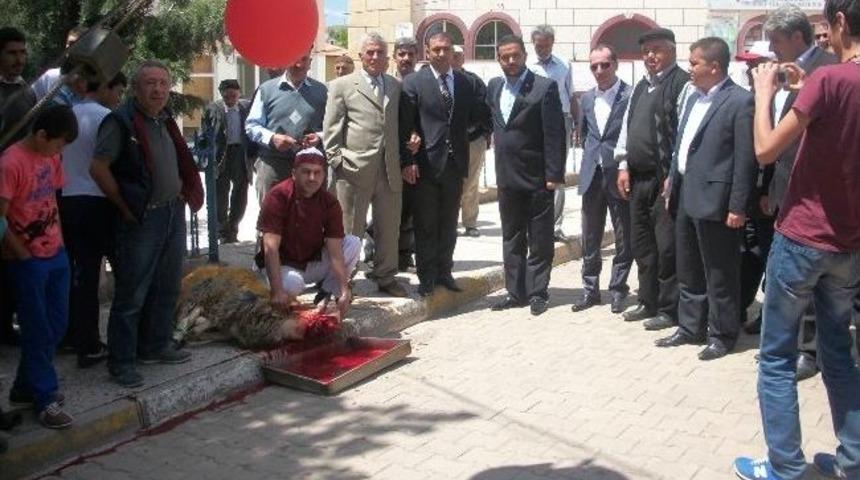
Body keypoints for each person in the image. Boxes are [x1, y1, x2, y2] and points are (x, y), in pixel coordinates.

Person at [733, 1, 860, 478]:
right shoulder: (828, 82)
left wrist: (765, 92)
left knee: (777, 359)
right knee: (839, 355)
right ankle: (853, 459)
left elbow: (766, 149)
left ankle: (784, 467)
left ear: (841, 23)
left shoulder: (829, 80)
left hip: (804, 237)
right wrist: (805, 88)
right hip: (848, 246)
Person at [89, 60, 203, 388]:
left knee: (167, 285)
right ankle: (122, 361)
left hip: (170, 212)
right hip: (141, 217)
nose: (157, 90)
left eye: (163, 84)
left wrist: (182, 193)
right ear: (136, 89)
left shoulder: (164, 120)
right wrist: (124, 206)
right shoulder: (121, 121)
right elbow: (99, 167)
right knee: (132, 292)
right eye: (150, 83)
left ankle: (156, 345)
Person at [656, 37, 756, 361]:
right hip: (685, 193)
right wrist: (672, 176)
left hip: (717, 200)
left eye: (695, 62)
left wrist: (738, 206)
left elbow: (744, 160)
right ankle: (690, 327)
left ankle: (723, 334)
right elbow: (681, 144)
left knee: (720, 271)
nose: (690, 67)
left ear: (714, 66)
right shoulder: (692, 98)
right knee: (689, 266)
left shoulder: (740, 102)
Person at [760, 5, 839, 381]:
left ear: (795, 36)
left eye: (776, 40)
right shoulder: (779, 72)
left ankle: (810, 350)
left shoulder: (827, 67)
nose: (772, 48)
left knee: (810, 277)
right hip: (784, 182)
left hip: (816, 190)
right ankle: (790, 341)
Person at [0, 104, 78, 428]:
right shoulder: (10, 163)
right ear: (42, 134)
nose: (60, 151)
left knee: (57, 325)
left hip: (55, 252)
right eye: (58, 144)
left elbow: (52, 200)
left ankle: (24, 387)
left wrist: (59, 242)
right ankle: (45, 398)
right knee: (36, 328)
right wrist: (22, 254)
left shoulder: (52, 156)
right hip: (27, 259)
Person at [400, 31, 489, 297]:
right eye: (436, 49)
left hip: (454, 164)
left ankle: (444, 272)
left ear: (453, 52)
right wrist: (408, 159)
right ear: (427, 52)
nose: (441, 54)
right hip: (425, 164)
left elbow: (479, 116)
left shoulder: (464, 82)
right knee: (426, 224)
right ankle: (426, 277)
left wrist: (468, 138)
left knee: (449, 223)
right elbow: (406, 125)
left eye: (446, 49)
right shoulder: (414, 83)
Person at [323, 32, 409, 298]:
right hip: (353, 171)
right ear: (361, 56)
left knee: (388, 228)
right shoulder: (342, 86)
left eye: (380, 52)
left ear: (387, 56)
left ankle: (386, 276)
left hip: (389, 170)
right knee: (350, 230)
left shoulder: (395, 86)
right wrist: (337, 160)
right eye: (370, 52)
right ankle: (345, 280)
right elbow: (331, 129)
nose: (375, 57)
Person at [614, 28, 689, 330]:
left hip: (663, 182)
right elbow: (626, 128)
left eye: (656, 50)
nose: (650, 56)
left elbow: (683, 135)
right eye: (646, 51)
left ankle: (670, 308)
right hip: (637, 179)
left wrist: (672, 176)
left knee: (667, 247)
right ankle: (648, 300)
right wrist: (622, 165)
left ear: (671, 50)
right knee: (642, 245)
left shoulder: (681, 83)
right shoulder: (640, 87)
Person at [486, 35, 565, 316]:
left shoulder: (544, 88)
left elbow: (556, 134)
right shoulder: (494, 87)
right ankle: (514, 292)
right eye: (504, 57)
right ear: (499, 59)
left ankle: (537, 292)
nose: (510, 61)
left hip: (537, 177)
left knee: (540, 238)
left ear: (524, 55)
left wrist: (554, 174)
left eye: (515, 56)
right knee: (512, 236)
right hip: (507, 178)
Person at [59, 72, 126, 369]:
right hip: (99, 200)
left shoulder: (67, 115)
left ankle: (75, 337)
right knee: (117, 273)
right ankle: (103, 341)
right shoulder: (107, 118)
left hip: (68, 199)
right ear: (107, 88)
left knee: (78, 275)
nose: (119, 98)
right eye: (119, 91)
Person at [570, 44, 633, 315]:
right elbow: (586, 136)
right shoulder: (586, 99)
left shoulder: (630, 95)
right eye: (594, 66)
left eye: (604, 65)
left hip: (618, 174)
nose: (599, 70)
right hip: (592, 175)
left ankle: (618, 289)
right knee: (590, 236)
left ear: (615, 64)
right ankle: (590, 289)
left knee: (623, 235)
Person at [258, 148, 358, 317]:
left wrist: (343, 289)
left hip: (311, 263)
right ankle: (276, 292)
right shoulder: (278, 196)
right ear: (294, 173)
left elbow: (335, 251)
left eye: (317, 173)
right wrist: (277, 291)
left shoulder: (329, 202)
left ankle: (328, 293)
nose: (312, 178)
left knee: (353, 243)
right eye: (306, 172)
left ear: (324, 175)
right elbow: (270, 247)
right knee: (292, 284)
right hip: (281, 265)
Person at [245, 49, 327, 203]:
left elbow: (333, 126)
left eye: (304, 59)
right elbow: (251, 125)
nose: (298, 64)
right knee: (272, 220)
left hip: (310, 168)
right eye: (294, 58)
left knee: (309, 220)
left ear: (310, 63)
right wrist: (272, 138)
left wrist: (319, 137)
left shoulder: (322, 91)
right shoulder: (266, 89)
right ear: (285, 61)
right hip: (273, 165)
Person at [528, 25, 576, 242]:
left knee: (557, 172)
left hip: (560, 121)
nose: (542, 49)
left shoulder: (564, 65)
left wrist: (575, 124)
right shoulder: (527, 66)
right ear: (533, 44)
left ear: (552, 43)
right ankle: (535, 224)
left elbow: (570, 94)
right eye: (538, 45)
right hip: (533, 122)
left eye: (546, 45)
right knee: (534, 171)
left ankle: (555, 226)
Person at [0, 27, 28, 346]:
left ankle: (8, 325)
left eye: (22, 52)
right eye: (12, 52)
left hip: (23, 191)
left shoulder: (27, 91)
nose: (19, 59)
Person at [200, 79, 252, 244]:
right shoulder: (212, 109)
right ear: (222, 93)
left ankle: (233, 229)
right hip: (221, 155)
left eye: (234, 93)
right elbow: (204, 134)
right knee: (220, 195)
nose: (231, 96)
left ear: (239, 93)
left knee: (240, 194)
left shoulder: (246, 108)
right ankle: (222, 231)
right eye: (227, 93)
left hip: (240, 154)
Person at [453, 45, 490, 238]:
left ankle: (470, 222)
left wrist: (484, 132)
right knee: (451, 183)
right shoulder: (438, 81)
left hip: (473, 140)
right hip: (447, 142)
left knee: (471, 182)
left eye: (458, 55)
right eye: (453, 55)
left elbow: (485, 107)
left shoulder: (474, 81)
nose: (455, 58)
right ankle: (450, 221)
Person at [31, 27, 85, 101]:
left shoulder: (95, 82)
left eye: (76, 43)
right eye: (69, 43)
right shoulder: (49, 76)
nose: (70, 47)